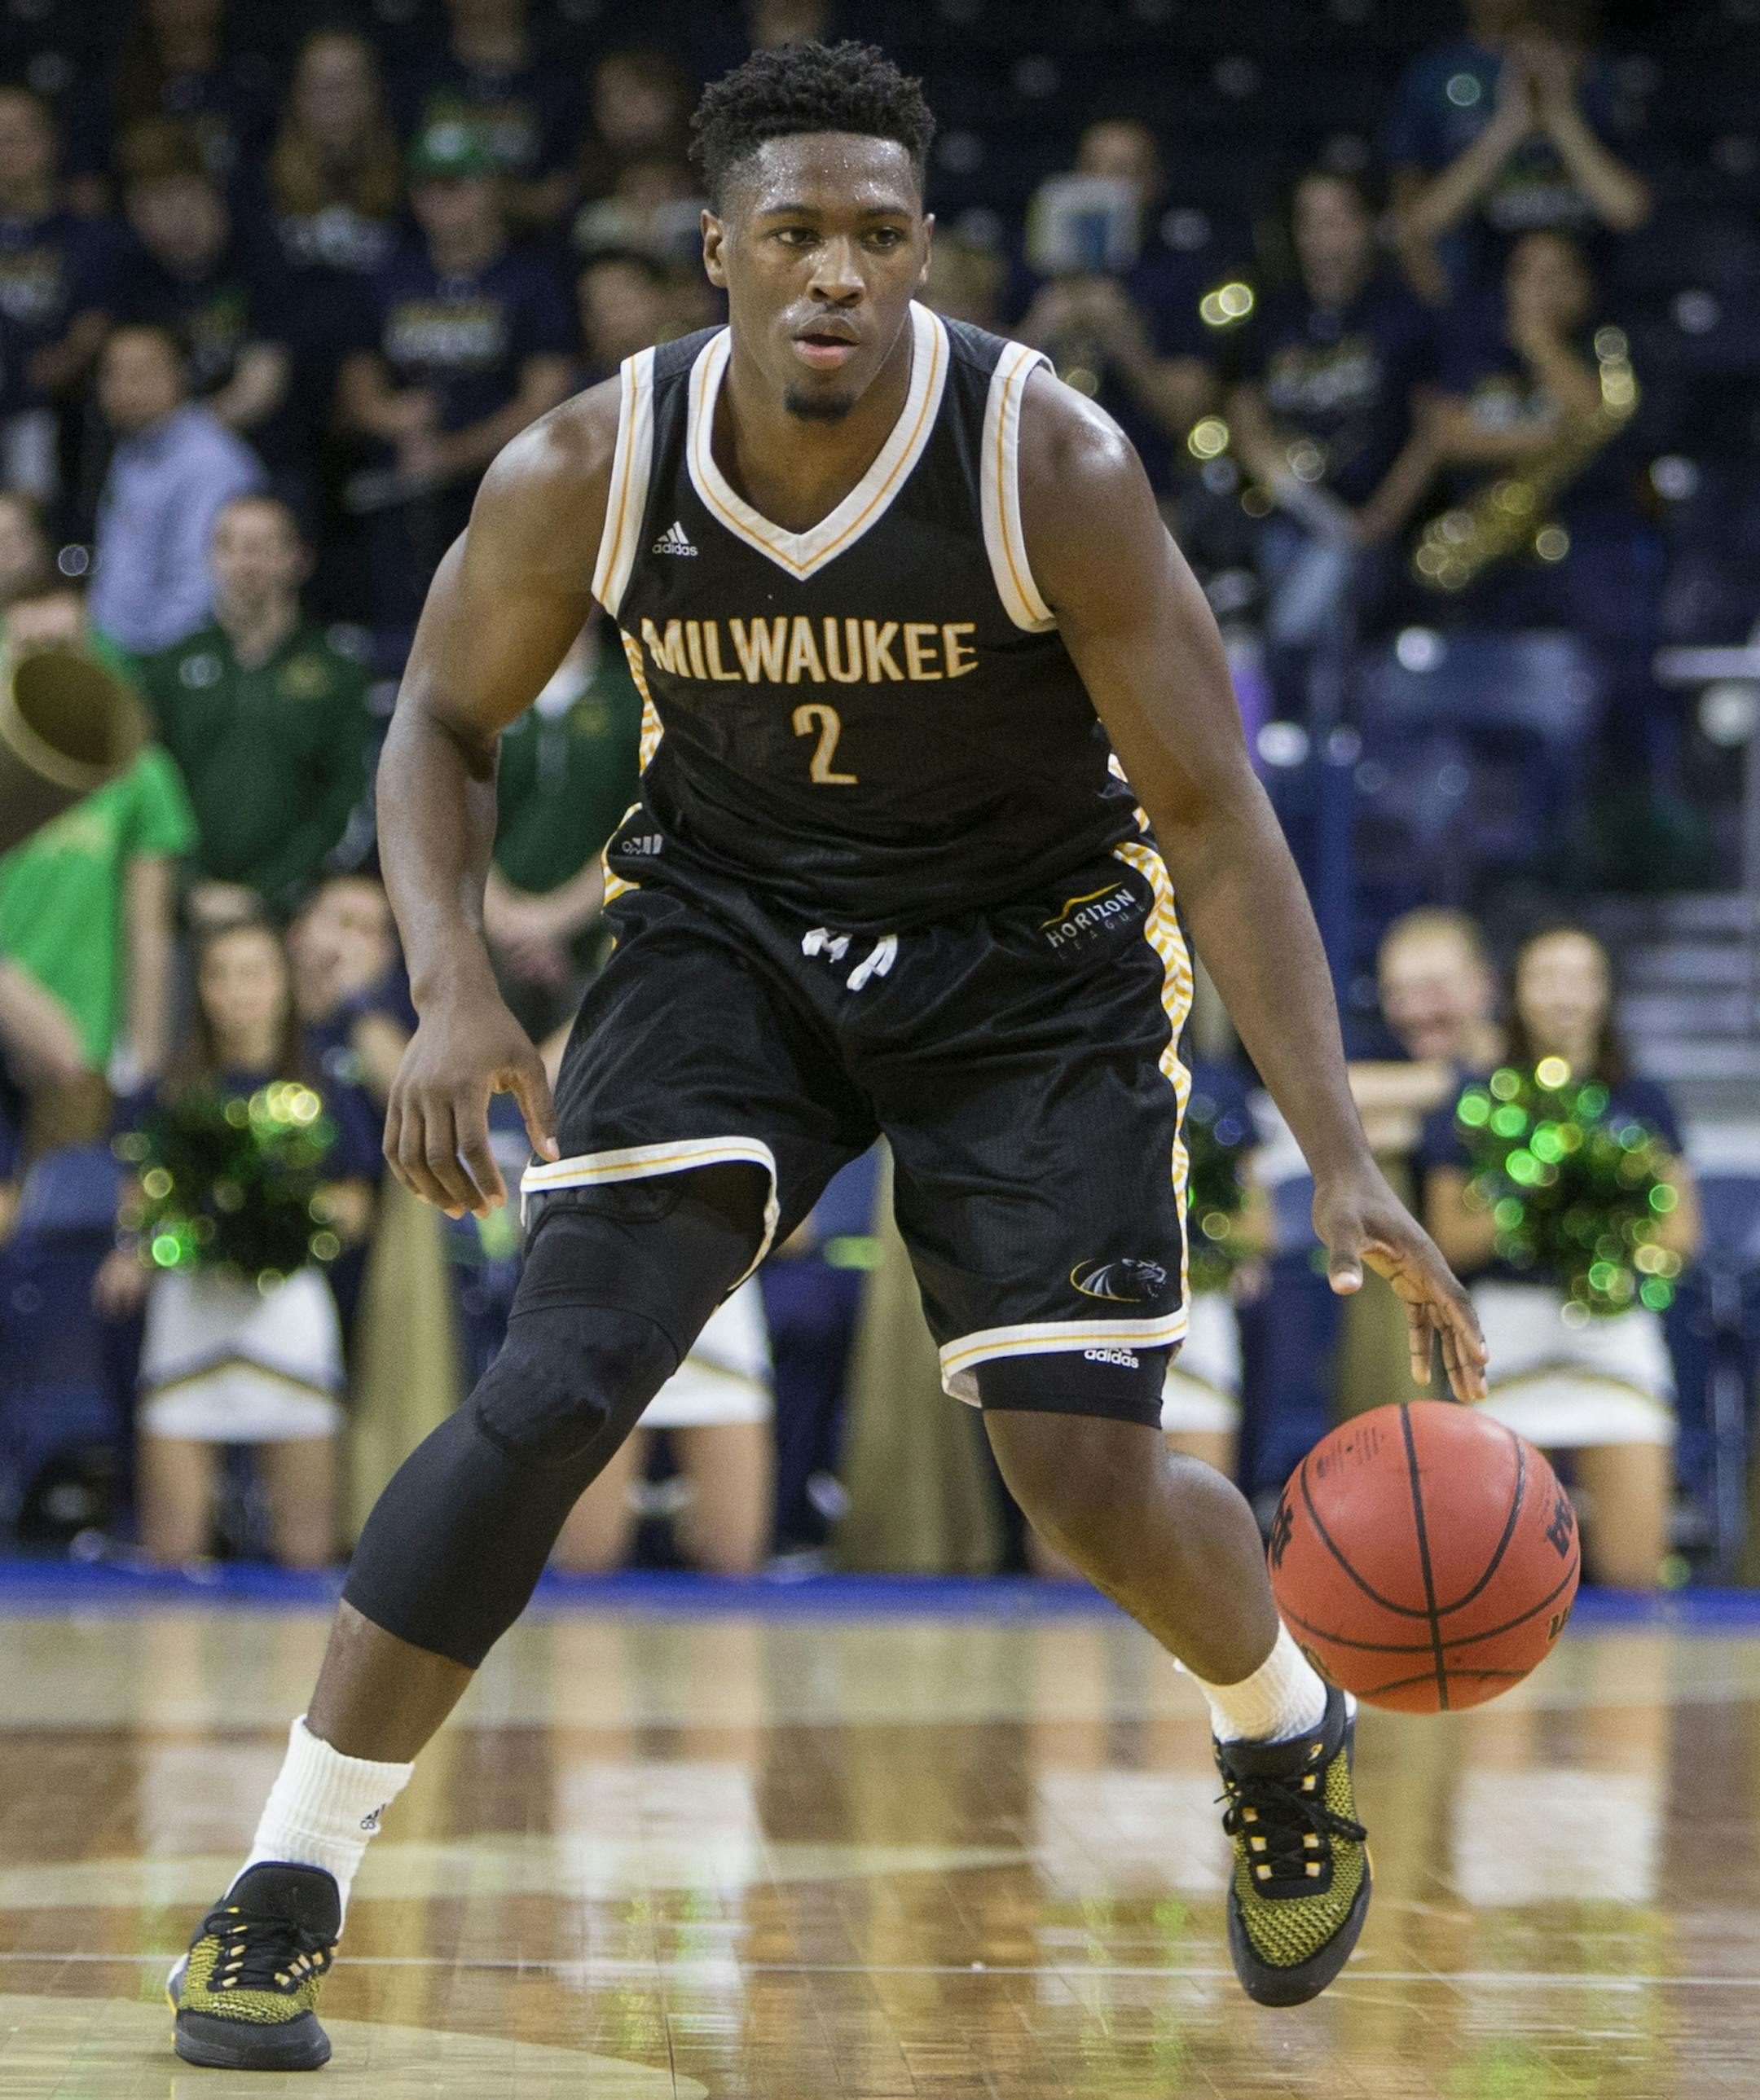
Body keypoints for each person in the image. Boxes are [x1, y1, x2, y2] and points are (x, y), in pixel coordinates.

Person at [164, 42, 1485, 2071]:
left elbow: (1215, 816)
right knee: (555, 1383)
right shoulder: (589, 464)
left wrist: (1339, 1148)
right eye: (792, 232)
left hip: (1028, 960)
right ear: (716, 254)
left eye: (877, 234)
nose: (835, 274)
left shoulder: (1050, 464)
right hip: (730, 936)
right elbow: (435, 717)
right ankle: (285, 1879)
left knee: (1081, 1479)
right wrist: (452, 980)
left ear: (925, 253)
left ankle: (1277, 1722)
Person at [92, 918, 380, 1569]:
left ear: (284, 985)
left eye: (254, 973)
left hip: (287, 1314)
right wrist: (140, 1247)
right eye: (218, 975)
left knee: (307, 1555)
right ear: (198, 989)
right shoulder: (168, 1089)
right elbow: (139, 1199)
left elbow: (357, 1208)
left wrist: (278, 1215)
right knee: (173, 1553)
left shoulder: (324, 1086)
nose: (236, 991)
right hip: (190, 1311)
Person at [1420, 925, 1701, 1589]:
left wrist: (1601, 1225)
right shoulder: (1474, 1100)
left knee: (1636, 1573)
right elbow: (1448, 1241)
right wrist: (1541, 1193)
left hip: (1613, 1330)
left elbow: (1682, 1237)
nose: (1563, 995)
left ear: (1605, 994)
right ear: (1516, 993)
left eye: (1581, 977)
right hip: (1504, 1333)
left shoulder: (1645, 1101)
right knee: (1499, 1578)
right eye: (1545, 976)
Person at [338, 121, 575, 644]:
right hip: (402, 495)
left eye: (459, 186)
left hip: (499, 491)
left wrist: (453, 453)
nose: (445, 204)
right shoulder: (387, 275)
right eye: (431, 189)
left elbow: (545, 396)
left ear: (489, 188)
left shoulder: (530, 279)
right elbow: (357, 383)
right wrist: (390, 416)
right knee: (402, 639)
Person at [1226, 169, 1440, 701]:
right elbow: (1247, 425)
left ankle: (1301, 712)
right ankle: (1284, 717)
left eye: (1339, 220)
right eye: (1311, 222)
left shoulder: (1402, 314)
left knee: (1335, 598)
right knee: (1295, 579)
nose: (1324, 238)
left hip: (1381, 523)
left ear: (1368, 227)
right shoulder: (1273, 315)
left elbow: (1434, 429)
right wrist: (1314, 510)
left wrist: (1380, 518)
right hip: (1292, 518)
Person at [0, 579, 193, 1107]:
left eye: (64, 645)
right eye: (31, 647)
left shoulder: (138, 768)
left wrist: (144, 1063)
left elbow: (148, 926)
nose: (49, 664)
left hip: (87, 1032)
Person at [134, 495, 372, 922]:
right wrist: (191, 884)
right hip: (183, 908)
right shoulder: (168, 669)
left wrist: (271, 890)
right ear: (211, 558)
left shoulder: (338, 672)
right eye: (231, 546)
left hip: (299, 908)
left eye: (262, 547)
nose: (246, 563)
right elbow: (149, 790)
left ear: (298, 560)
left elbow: (347, 796)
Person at [1386, 0, 1650, 301]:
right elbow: (1419, 223)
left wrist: (1562, 118)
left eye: (1546, 49)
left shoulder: (1599, 79)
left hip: (1586, 293)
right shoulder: (1437, 73)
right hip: (1485, 294)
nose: (1532, 59)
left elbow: (1630, 210)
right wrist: (1509, 126)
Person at [1013, 118, 1217, 496]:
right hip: (1035, 485)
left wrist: (1124, 338)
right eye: (1093, 167)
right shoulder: (1032, 264)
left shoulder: (1176, 274)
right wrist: (1038, 331)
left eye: (1122, 170)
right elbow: (976, 388)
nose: (1103, 183)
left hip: (1141, 486)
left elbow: (1184, 413)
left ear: (1152, 184)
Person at [483, 607, 645, 1040]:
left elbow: (645, 823)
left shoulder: (633, 692)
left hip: (602, 926)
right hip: (489, 921)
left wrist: (552, 922)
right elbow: (456, 814)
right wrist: (504, 919)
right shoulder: (486, 688)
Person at [88, 323, 266, 657]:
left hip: (181, 659)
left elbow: (202, 591)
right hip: (118, 648)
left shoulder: (211, 461)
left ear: (180, 375)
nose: (123, 388)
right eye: (111, 375)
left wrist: (143, 663)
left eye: (140, 373)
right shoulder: (131, 448)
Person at [118, 120, 293, 442]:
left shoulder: (261, 255)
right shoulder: (133, 272)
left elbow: (265, 379)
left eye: (181, 195)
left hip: (260, 445)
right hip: (161, 445)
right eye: (154, 203)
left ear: (211, 188)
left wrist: (188, 434)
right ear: (134, 211)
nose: (172, 216)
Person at [0, 86, 126, 503]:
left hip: (60, 419)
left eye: (21, 135)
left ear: (51, 140)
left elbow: (94, 329)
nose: (9, 148)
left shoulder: (91, 236)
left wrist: (67, 359)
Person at [396, 0, 581, 233]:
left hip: (535, 243)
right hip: (428, 242)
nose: (482, 5)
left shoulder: (558, 80)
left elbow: (557, 193)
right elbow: (395, 180)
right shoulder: (418, 77)